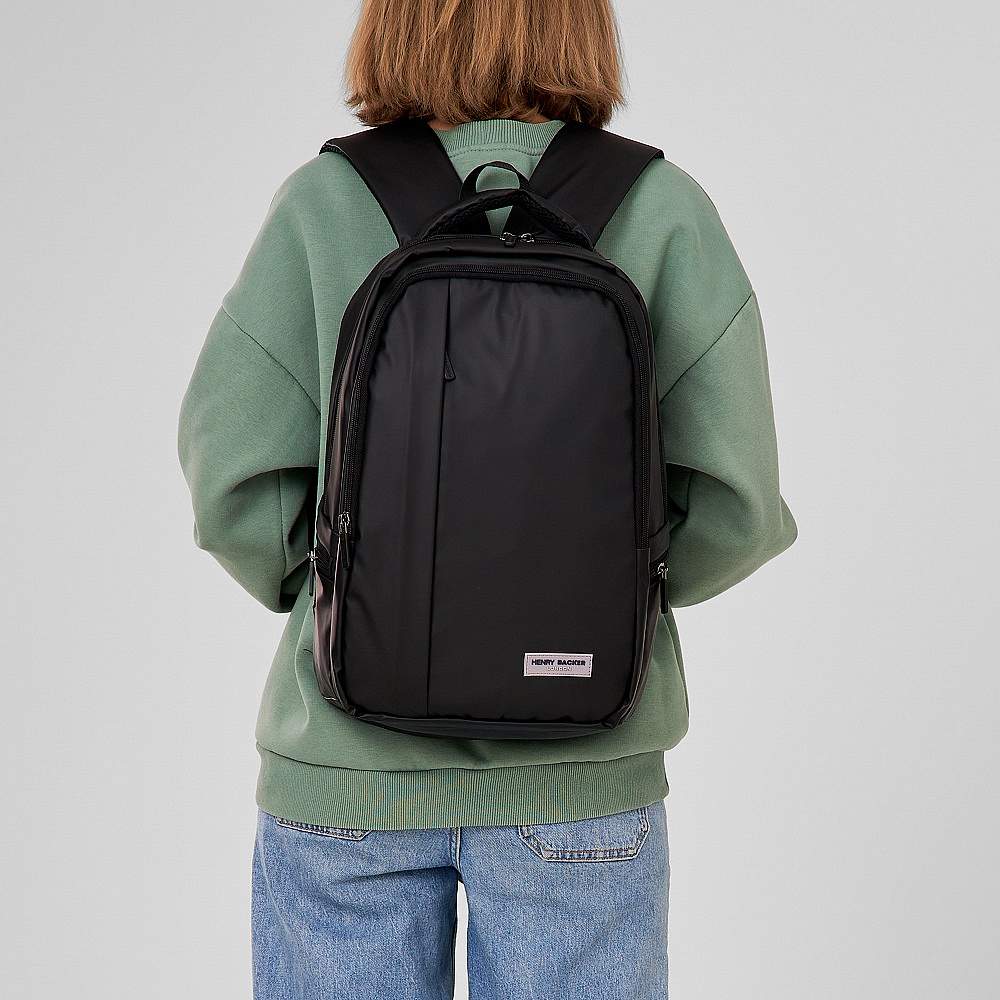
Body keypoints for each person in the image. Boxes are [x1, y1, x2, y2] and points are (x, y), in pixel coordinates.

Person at [178, 0, 796, 996]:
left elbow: (232, 477)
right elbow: (740, 502)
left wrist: (340, 585)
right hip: (583, 779)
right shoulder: (663, 208)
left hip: (346, 775)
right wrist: (610, 590)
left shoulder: (323, 204)